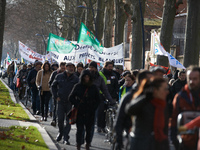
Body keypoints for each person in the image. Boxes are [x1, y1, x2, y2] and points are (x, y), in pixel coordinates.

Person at [126, 77, 170, 150]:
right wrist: (145, 97)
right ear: (155, 91)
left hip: (158, 145)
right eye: (165, 89)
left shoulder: (163, 106)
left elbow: (164, 130)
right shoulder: (145, 103)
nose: (167, 92)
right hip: (140, 145)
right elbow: (130, 109)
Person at [114, 70, 153, 150]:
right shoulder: (129, 96)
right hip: (133, 136)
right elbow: (119, 119)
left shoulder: (155, 97)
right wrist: (119, 140)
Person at [69, 70, 100, 150]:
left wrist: (93, 108)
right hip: (80, 111)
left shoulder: (94, 87)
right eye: (85, 77)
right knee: (79, 129)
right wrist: (77, 104)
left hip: (90, 112)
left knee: (89, 130)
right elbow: (71, 97)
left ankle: (88, 144)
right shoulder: (78, 86)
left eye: (88, 77)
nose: (86, 79)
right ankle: (78, 144)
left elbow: (98, 99)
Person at [170, 66, 200, 150]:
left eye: (195, 79)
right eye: (189, 78)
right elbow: (173, 120)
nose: (191, 81)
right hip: (185, 142)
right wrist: (175, 141)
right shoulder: (180, 97)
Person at [51, 62, 79, 145]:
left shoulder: (76, 78)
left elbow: (79, 89)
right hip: (60, 101)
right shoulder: (59, 76)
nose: (71, 69)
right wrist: (56, 96)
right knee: (60, 119)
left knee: (69, 121)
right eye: (69, 67)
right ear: (66, 68)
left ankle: (66, 137)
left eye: (72, 67)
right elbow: (53, 86)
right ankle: (60, 132)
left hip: (70, 103)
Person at [97, 61, 119, 132]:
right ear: (105, 67)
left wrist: (115, 94)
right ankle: (100, 126)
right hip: (101, 96)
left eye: (112, 67)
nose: (111, 68)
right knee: (101, 111)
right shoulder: (100, 74)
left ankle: (108, 126)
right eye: (109, 67)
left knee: (111, 111)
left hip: (111, 96)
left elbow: (116, 86)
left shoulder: (114, 75)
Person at [49, 62, 66, 126]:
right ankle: (54, 120)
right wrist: (53, 92)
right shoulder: (55, 74)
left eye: (64, 68)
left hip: (64, 94)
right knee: (55, 107)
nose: (63, 70)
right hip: (56, 93)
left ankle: (60, 120)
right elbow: (51, 83)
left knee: (62, 108)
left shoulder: (67, 75)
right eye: (62, 68)